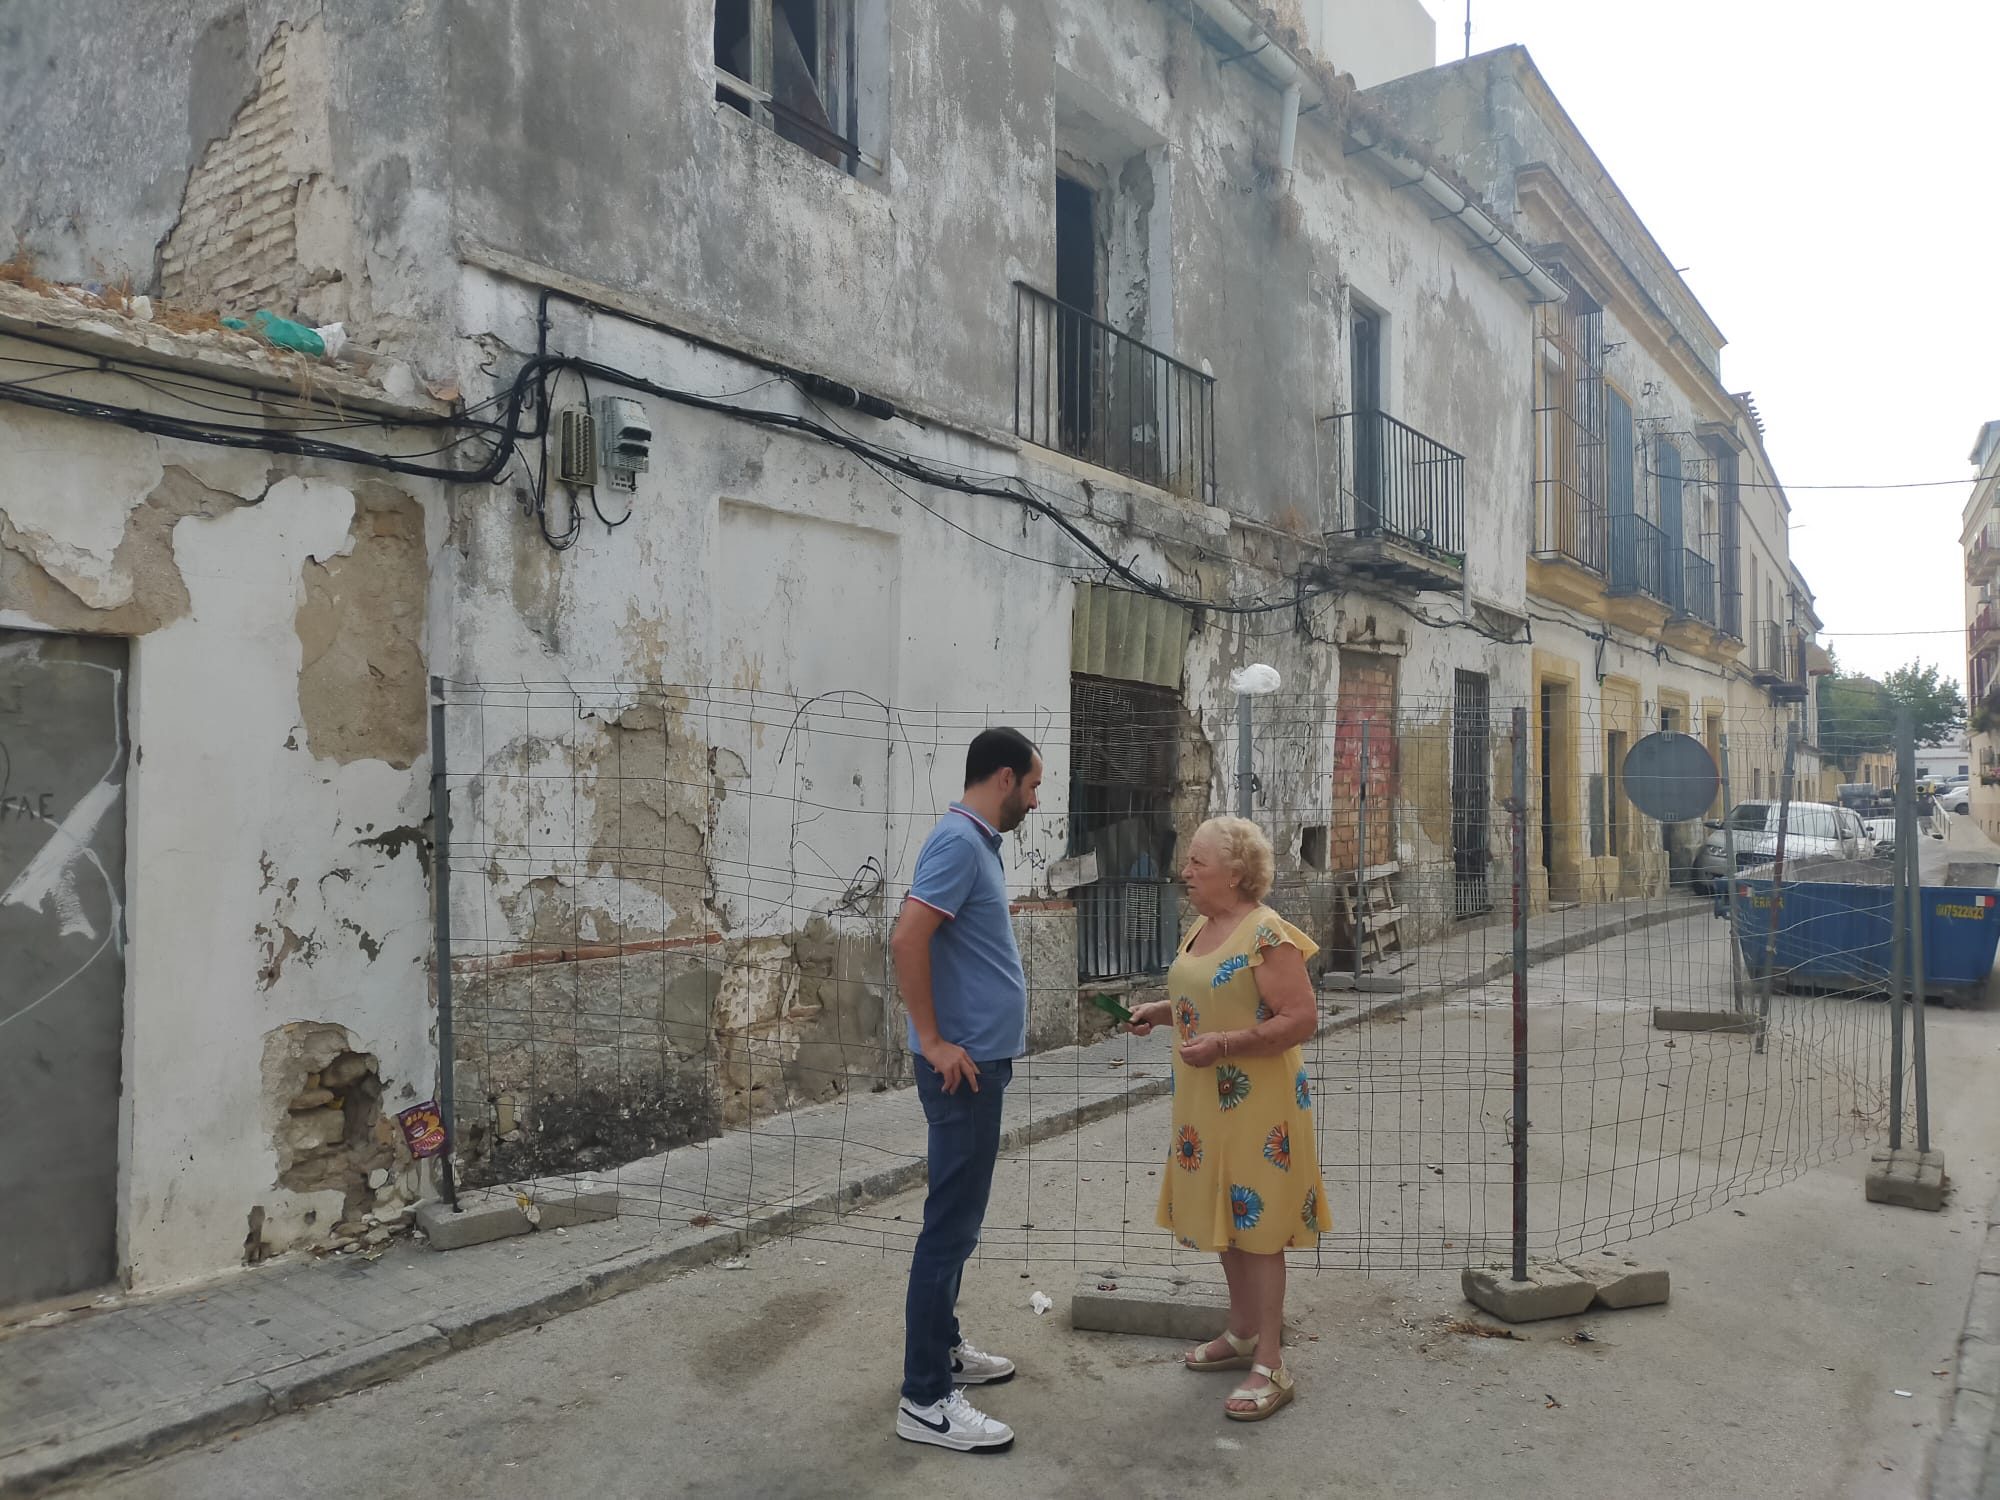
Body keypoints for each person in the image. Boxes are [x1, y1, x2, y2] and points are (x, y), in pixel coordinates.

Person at [1125, 815, 1326, 1423]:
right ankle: (1241, 1334)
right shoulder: (1204, 927)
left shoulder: (1267, 934)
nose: (1185, 871)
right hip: (1204, 1103)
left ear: (1236, 873)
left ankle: (1271, 1362)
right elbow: (1210, 994)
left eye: (1197, 863)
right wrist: (1162, 1012)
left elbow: (1300, 1017)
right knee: (1226, 1215)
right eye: (1188, 862)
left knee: (1258, 1227)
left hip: (1256, 1105)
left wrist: (1226, 1045)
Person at [891, 727, 1043, 1453]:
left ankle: (944, 1350)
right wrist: (934, 1039)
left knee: (961, 1220)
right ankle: (924, 1399)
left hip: (978, 1065)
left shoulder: (976, 843)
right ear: (1005, 778)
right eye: (1034, 787)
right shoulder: (958, 843)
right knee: (949, 1226)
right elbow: (906, 937)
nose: (1036, 801)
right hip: (963, 1069)